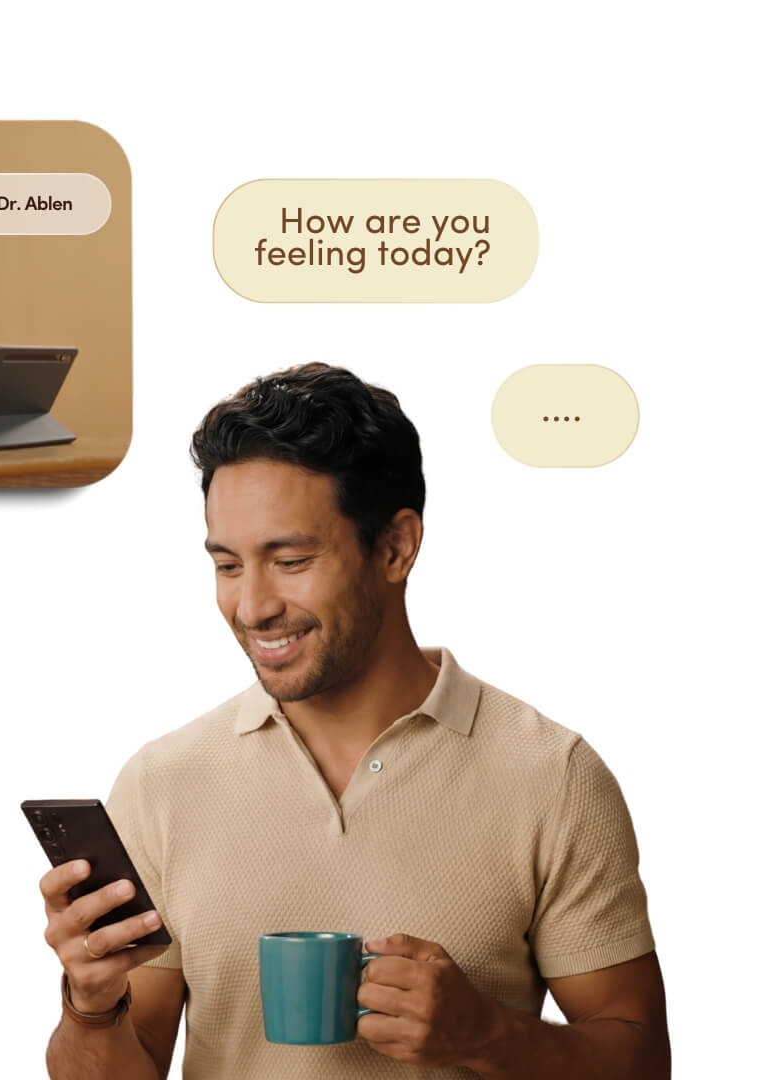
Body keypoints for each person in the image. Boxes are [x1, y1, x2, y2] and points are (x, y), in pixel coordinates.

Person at [39, 364, 670, 1079]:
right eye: (228, 566)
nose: (252, 607)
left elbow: (642, 1060)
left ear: (396, 548)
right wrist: (91, 1004)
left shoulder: (551, 776)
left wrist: (488, 1036)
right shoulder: (162, 784)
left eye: (291, 559)